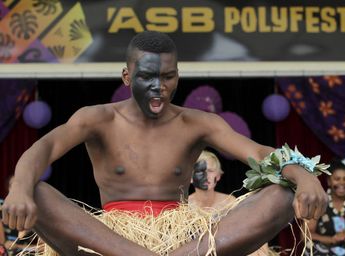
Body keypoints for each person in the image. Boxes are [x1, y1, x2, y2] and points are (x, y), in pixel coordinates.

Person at [2, 31, 328, 256]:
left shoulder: (197, 122)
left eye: (167, 77)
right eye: (147, 77)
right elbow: (42, 149)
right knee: (34, 188)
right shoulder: (97, 118)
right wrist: (19, 190)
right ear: (127, 77)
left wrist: (305, 176)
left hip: (186, 243)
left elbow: (258, 153)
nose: (158, 87)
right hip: (105, 245)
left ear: (177, 75)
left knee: (284, 193)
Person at [189, 150, 275, 256]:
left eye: (210, 171)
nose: (206, 176)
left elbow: (250, 229)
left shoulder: (229, 202)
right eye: (199, 171)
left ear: (218, 175)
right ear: (190, 178)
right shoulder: (185, 207)